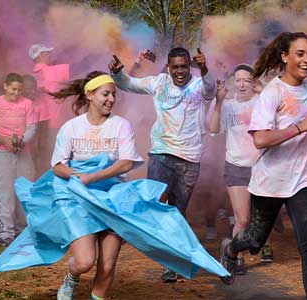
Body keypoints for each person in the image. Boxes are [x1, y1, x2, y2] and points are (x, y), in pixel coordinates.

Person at [218, 32, 307, 300]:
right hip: (270, 181)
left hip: (303, 178)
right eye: (300, 54)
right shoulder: (272, 92)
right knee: (255, 240)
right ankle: (229, 250)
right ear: (285, 57)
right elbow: (260, 139)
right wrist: (298, 127)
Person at [108, 47, 216, 282]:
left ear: (190, 66)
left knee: (177, 212)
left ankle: (173, 262)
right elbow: (128, 84)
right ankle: (157, 248)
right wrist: (117, 74)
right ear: (168, 67)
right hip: (161, 153)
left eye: (184, 66)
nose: (179, 71)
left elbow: (211, 89)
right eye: (175, 67)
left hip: (189, 157)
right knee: (157, 205)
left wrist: (205, 68)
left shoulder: (199, 84)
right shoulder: (159, 83)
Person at [49, 71, 144, 300]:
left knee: (106, 266)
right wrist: (77, 175)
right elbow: (57, 166)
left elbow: (127, 163)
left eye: (113, 94)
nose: (111, 99)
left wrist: (93, 177)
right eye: (105, 94)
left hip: (113, 201)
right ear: (89, 94)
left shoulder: (121, 125)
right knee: (84, 262)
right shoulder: (71, 128)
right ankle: (72, 277)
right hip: (81, 202)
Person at [208, 64, 276, 274]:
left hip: (262, 166)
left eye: (247, 79)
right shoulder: (227, 105)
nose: (242, 84)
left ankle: (257, 246)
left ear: (253, 82)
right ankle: (233, 256)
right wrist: (218, 103)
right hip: (236, 166)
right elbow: (213, 128)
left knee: (262, 217)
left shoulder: (261, 102)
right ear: (232, 83)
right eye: (238, 80)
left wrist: (262, 91)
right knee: (243, 219)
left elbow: (278, 110)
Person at [0, 73, 37, 246]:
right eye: (14, 89)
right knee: (4, 192)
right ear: (5, 86)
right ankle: (6, 232)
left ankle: (24, 229)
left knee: (24, 190)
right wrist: (2, 139)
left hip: (22, 152)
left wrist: (21, 141)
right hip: (1, 153)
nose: (17, 93)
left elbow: (31, 128)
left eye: (20, 90)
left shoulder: (27, 104)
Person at [29, 43, 70, 173]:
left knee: (41, 157)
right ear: (41, 55)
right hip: (53, 124)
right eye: (47, 53)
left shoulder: (32, 75)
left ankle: (40, 183)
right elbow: (80, 66)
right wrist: (96, 54)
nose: (50, 55)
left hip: (37, 124)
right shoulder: (50, 72)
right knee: (56, 159)